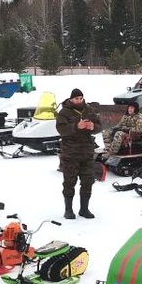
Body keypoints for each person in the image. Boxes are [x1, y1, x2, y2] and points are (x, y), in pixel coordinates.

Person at [55, 88, 101, 219]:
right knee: (69, 182)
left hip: (87, 152)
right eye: (76, 99)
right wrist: (76, 126)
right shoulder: (64, 112)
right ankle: (68, 210)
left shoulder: (90, 110)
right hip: (70, 153)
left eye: (81, 98)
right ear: (71, 99)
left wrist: (93, 127)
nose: (79, 101)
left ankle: (84, 209)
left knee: (88, 181)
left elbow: (99, 126)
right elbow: (61, 129)